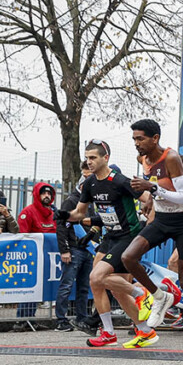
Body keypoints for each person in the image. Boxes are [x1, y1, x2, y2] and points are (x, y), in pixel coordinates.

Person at [121, 119, 183, 351]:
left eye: (140, 138)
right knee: (128, 258)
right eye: (134, 139)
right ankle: (160, 296)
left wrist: (151, 189)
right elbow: (159, 186)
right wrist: (152, 200)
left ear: (155, 139)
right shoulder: (142, 159)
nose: (136, 143)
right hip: (162, 220)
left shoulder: (171, 158)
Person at [57, 141, 154, 347]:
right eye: (87, 158)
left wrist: (149, 225)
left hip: (128, 237)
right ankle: (139, 331)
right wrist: (65, 215)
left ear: (105, 158)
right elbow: (80, 213)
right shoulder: (90, 184)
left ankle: (141, 293)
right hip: (110, 237)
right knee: (101, 284)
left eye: (93, 158)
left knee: (97, 276)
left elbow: (148, 198)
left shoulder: (120, 181)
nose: (89, 162)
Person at [54, 170, 96, 331]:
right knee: (67, 284)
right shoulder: (71, 201)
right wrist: (64, 250)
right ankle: (61, 319)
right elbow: (61, 227)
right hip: (74, 249)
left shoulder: (88, 202)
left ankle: (81, 317)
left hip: (86, 249)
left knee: (84, 286)